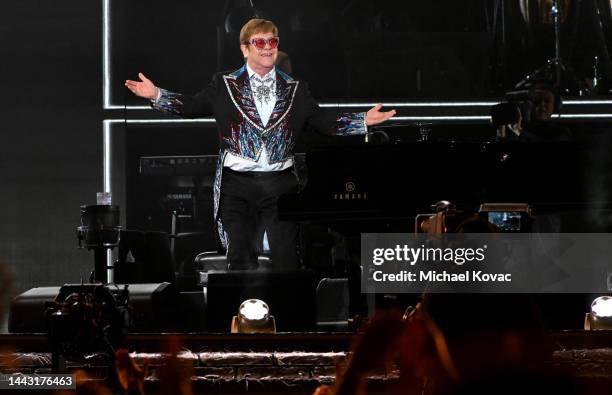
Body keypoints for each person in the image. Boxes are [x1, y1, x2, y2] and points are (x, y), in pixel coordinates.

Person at [125, 18, 395, 270]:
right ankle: (243, 318)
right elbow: (193, 106)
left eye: (273, 42)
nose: (268, 48)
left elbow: (323, 121)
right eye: (260, 42)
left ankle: (289, 318)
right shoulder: (224, 84)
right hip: (237, 184)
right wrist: (157, 95)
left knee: (287, 259)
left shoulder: (296, 89)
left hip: (280, 184)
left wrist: (362, 121)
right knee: (240, 257)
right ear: (245, 49)